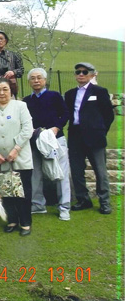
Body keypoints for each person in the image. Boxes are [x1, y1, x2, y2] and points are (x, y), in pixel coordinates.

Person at [0, 78, 34, 236]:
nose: (1, 93)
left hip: (20, 157)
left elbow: (27, 129)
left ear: (11, 90)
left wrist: (16, 149)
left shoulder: (20, 106)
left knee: (22, 192)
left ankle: (25, 222)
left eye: (5, 89)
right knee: (5, 192)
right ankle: (12, 220)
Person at [65, 62, 114, 215]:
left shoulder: (99, 91)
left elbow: (108, 115)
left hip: (95, 137)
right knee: (77, 171)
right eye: (78, 72)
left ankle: (105, 202)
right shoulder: (70, 94)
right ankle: (83, 200)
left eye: (84, 72)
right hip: (75, 137)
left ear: (92, 75)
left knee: (100, 171)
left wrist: (100, 131)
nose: (81, 74)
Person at [22, 68, 71, 221]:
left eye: (39, 78)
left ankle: (64, 206)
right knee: (35, 173)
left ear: (44, 80)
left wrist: (56, 127)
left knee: (60, 173)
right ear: (29, 82)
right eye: (33, 78)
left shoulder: (54, 96)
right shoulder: (27, 101)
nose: (36, 81)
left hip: (55, 139)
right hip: (35, 141)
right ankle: (37, 204)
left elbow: (65, 113)